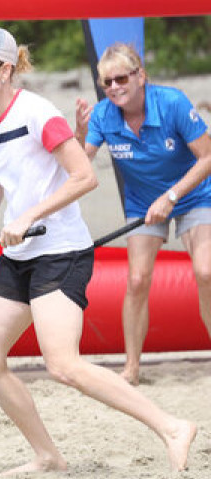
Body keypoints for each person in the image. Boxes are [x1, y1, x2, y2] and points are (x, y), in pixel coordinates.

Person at [0, 27, 197, 475]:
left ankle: (172, 427)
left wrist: (28, 218)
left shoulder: (38, 112)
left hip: (61, 251)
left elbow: (84, 177)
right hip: (19, 255)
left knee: (63, 364)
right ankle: (47, 456)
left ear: (5, 71)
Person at [75, 43, 211, 385]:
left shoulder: (172, 102)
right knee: (136, 281)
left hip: (193, 194)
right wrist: (78, 134)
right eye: (107, 82)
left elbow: (208, 157)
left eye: (121, 78)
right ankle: (132, 368)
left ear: (141, 76)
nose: (115, 87)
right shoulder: (104, 115)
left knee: (206, 271)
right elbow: (78, 167)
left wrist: (172, 195)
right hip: (143, 204)